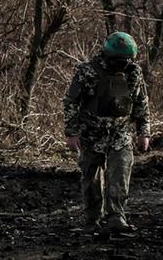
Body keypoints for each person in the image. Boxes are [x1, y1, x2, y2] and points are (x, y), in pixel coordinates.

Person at [63, 32, 151, 233]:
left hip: (120, 135)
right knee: (91, 179)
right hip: (91, 135)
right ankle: (92, 218)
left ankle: (116, 216)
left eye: (126, 61)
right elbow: (71, 102)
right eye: (118, 61)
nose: (122, 65)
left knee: (119, 175)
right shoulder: (87, 72)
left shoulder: (134, 73)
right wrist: (72, 133)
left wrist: (143, 132)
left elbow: (141, 103)